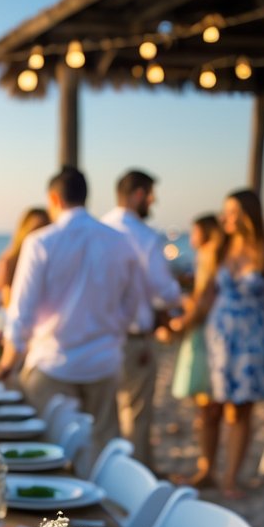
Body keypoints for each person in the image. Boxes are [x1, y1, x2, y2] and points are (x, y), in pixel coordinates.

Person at [0, 166, 141, 459]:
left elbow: (22, 312)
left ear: (54, 198)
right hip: (103, 362)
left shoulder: (41, 242)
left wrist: (6, 364)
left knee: (52, 456)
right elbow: (132, 305)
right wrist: (112, 334)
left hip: (53, 364)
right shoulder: (120, 241)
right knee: (103, 455)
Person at [170, 189, 264, 498]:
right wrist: (183, 325)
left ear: (246, 214)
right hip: (216, 338)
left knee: (241, 410)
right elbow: (204, 295)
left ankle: (230, 477)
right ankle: (206, 470)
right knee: (209, 407)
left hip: (252, 337)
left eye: (231, 212)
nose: (224, 218)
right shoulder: (219, 249)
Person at [101, 170, 182, 469]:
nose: (153, 201)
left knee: (106, 416)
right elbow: (164, 291)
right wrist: (180, 297)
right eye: (150, 194)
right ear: (137, 194)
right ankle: (136, 481)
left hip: (100, 338)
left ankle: (109, 475)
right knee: (135, 414)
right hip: (133, 339)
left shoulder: (100, 229)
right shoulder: (144, 236)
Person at [169, 214, 223, 403]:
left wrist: (183, 320)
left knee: (204, 392)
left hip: (206, 326)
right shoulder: (213, 253)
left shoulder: (208, 254)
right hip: (212, 324)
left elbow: (206, 297)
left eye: (195, 232)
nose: (191, 237)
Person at [0, 206, 50, 308]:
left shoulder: (56, 260)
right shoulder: (10, 261)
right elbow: (9, 304)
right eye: (37, 229)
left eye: (46, 229)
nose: (41, 235)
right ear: (25, 231)